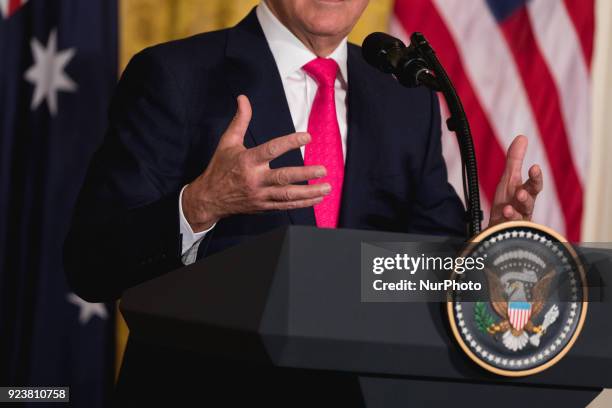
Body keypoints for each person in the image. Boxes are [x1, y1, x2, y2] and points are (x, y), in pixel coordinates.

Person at [64, 0, 543, 405]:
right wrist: (200, 205)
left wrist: (491, 245)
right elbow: (91, 263)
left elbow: (426, 268)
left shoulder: (404, 98)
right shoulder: (175, 74)